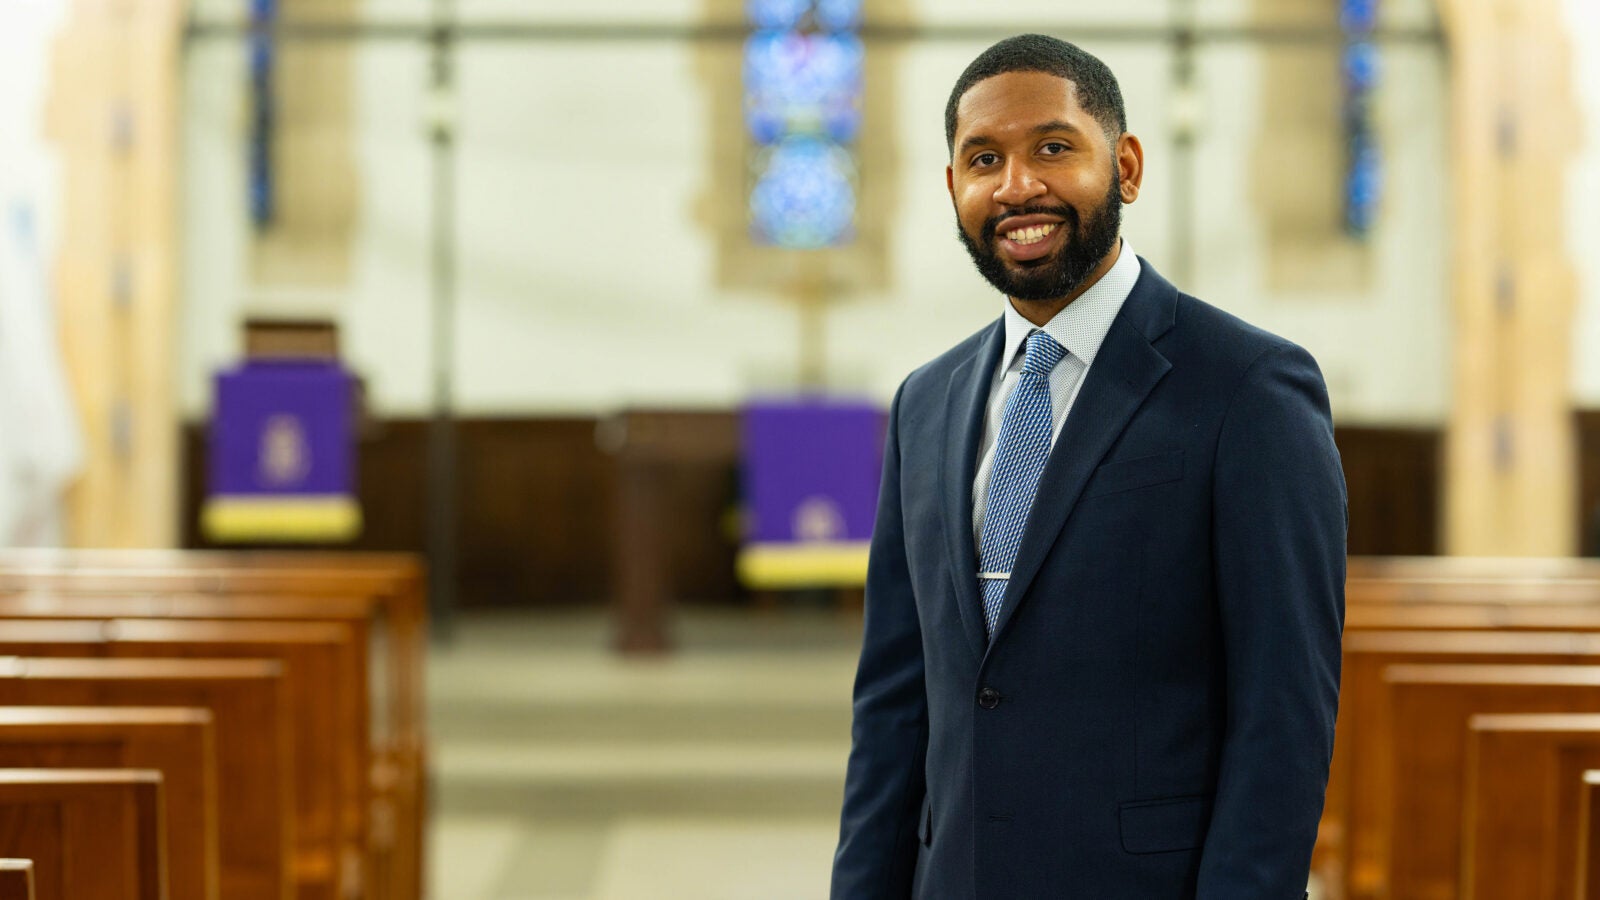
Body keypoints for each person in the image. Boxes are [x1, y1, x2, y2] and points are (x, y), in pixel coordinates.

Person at [830, 34, 1346, 899]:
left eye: (1053, 148)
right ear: (953, 187)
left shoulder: (1248, 389)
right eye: (983, 158)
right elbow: (893, 705)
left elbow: (1283, 714)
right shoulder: (926, 403)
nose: (1017, 185)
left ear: (1129, 166)